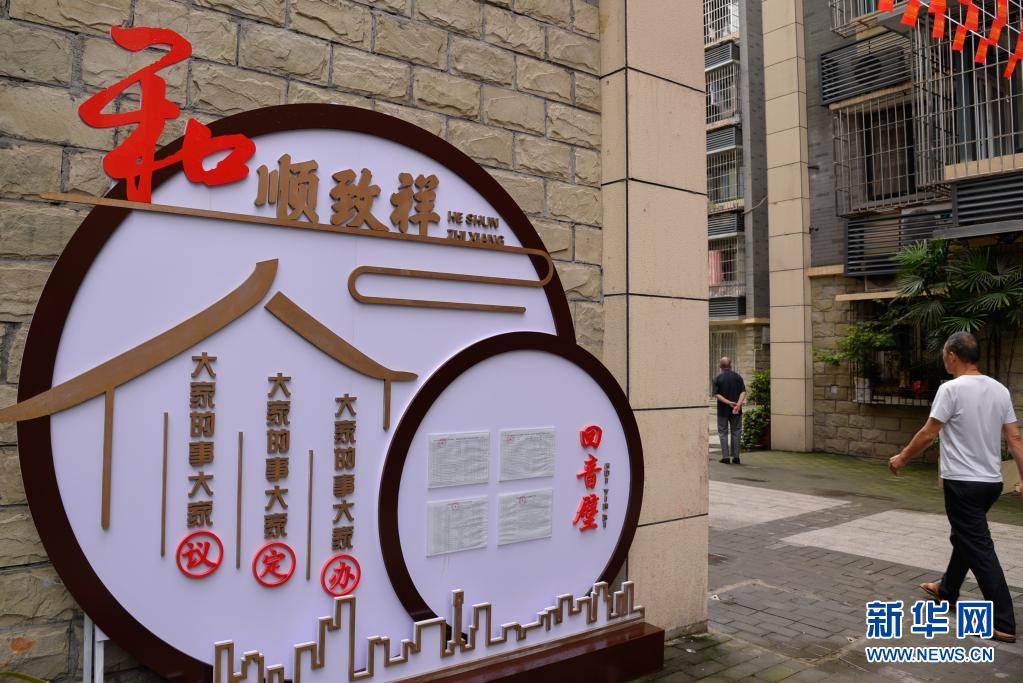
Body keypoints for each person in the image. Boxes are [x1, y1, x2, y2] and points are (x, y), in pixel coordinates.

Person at [889, 331, 1023, 643]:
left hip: (963, 483)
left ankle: (1003, 621)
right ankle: (947, 589)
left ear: (952, 355)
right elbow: (1015, 438)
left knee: (978, 546)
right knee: (964, 536)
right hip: (991, 483)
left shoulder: (951, 389)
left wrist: (902, 457)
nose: (944, 360)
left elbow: (929, 432)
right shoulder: (999, 390)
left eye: (944, 355)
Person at [712, 356, 746, 465]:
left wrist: (728, 402)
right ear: (731, 365)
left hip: (723, 411)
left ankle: (725, 457)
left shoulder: (717, 378)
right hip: (736, 410)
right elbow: (743, 392)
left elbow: (716, 394)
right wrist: (738, 405)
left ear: (720, 366)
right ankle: (736, 457)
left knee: (723, 433)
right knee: (736, 432)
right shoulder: (738, 377)